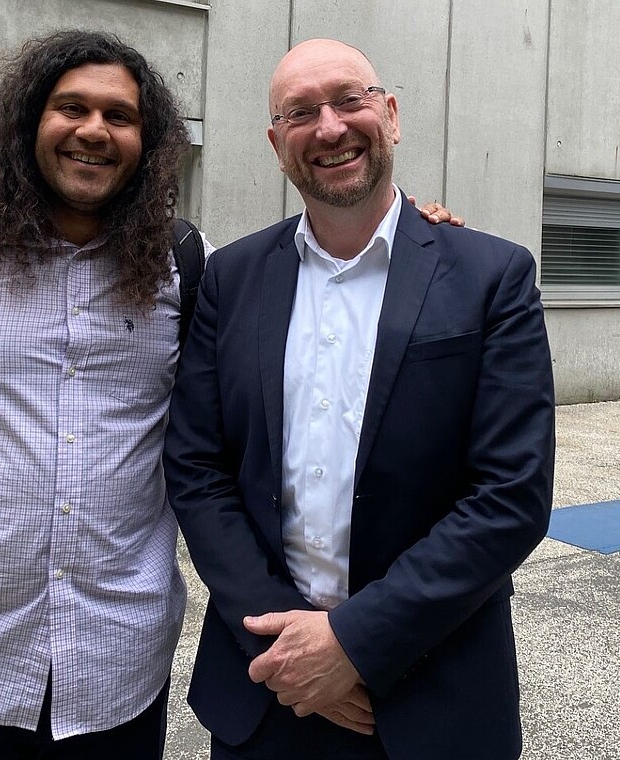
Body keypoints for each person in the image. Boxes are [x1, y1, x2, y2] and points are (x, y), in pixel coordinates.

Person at [0, 29, 461, 760]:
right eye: (71, 109)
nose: (94, 131)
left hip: (116, 677)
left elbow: (301, 304)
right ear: (30, 125)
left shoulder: (189, 270)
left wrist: (412, 238)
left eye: (119, 117)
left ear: (148, 143)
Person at [163, 38, 555, 760]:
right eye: (301, 113)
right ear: (278, 144)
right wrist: (289, 640)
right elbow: (196, 467)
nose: (331, 127)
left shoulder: (490, 275)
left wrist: (352, 642)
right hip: (265, 685)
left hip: (433, 693)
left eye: (350, 99)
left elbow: (511, 495)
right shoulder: (231, 277)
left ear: (392, 113)